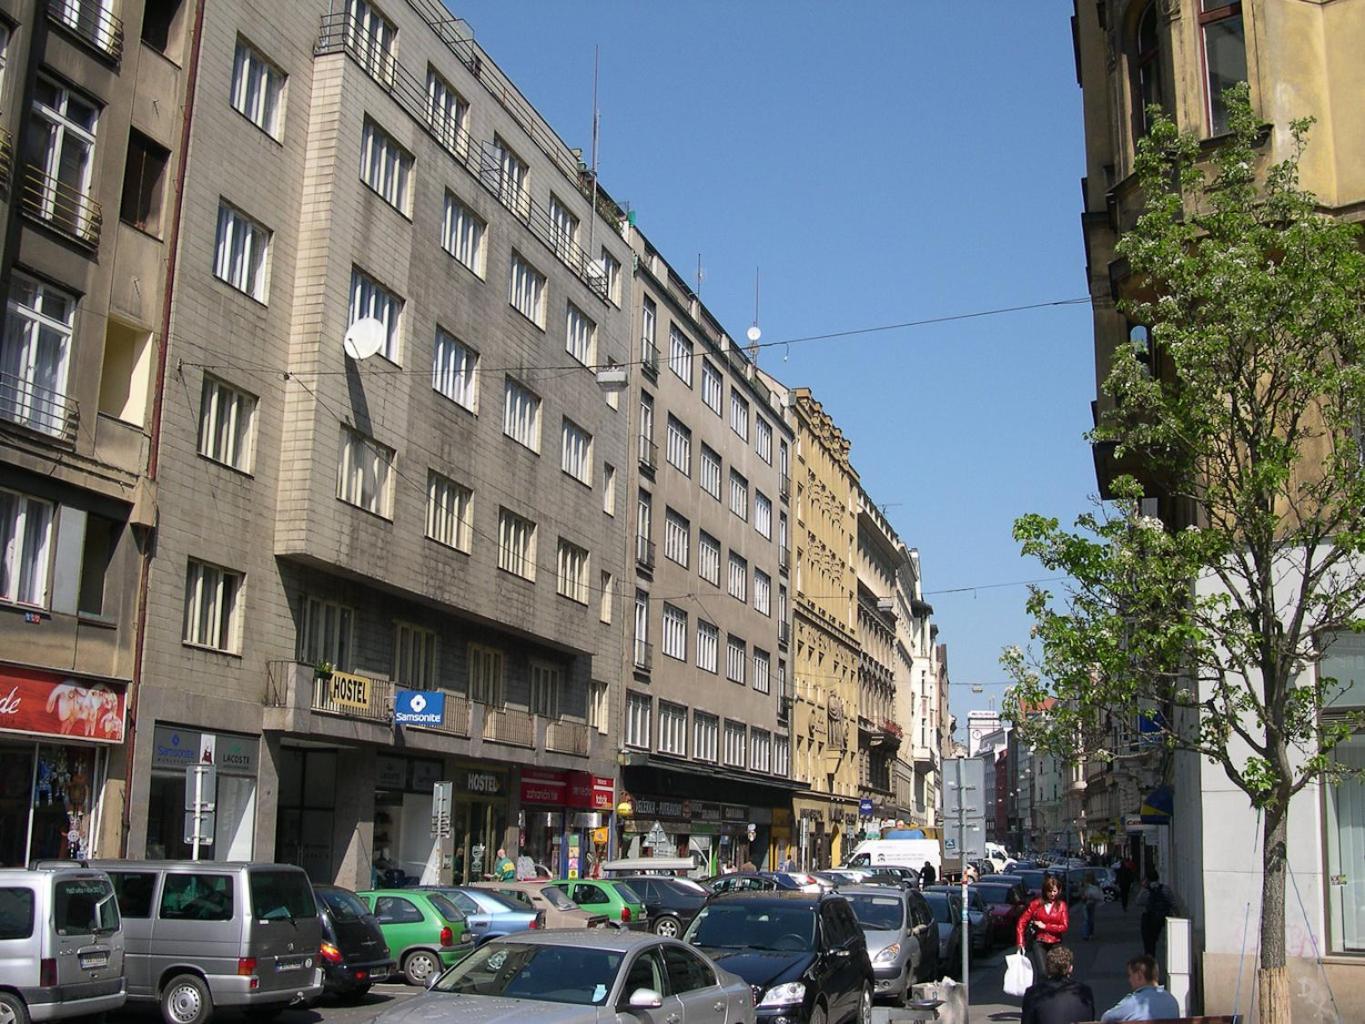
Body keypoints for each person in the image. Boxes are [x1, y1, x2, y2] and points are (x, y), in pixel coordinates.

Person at [1017, 873, 1070, 985]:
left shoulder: (1061, 906)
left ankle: (1055, 994)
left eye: (1055, 891)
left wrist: (1045, 926)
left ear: (1059, 891)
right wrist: (1020, 942)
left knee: (1057, 972)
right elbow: (1022, 922)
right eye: (1049, 891)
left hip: (1056, 942)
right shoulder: (1036, 904)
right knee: (1042, 973)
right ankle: (1040, 996)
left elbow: (1064, 926)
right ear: (1045, 891)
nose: (1052, 894)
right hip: (1039, 941)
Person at [1021, 945, 1096, 1024]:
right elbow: (1090, 1018)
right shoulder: (1084, 991)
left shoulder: (1033, 992)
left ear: (1047, 968)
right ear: (1070, 969)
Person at [1099, 954, 1181, 1022]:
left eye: (1130, 975)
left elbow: (1106, 1018)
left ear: (1139, 975)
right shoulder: (1172, 1001)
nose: (1129, 980)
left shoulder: (1135, 1002)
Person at [1138, 871, 1175, 957]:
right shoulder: (1165, 889)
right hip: (1161, 919)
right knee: (1155, 938)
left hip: (1148, 918)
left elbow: (1138, 901)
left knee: (1148, 943)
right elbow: (1173, 902)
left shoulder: (1146, 890)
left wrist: (1143, 888)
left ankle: (1150, 957)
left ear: (1147, 879)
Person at [1081, 871, 1102, 941]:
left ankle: (1087, 934)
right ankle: (1088, 934)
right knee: (1089, 919)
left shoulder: (1086, 884)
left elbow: (1082, 894)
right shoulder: (1092, 884)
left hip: (1087, 903)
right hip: (1090, 903)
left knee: (1087, 919)